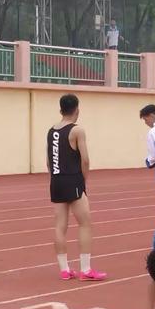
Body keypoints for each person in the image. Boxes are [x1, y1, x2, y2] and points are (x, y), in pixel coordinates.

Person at [47, 94, 106, 281]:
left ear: (60, 109)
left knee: (59, 226)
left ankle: (64, 270)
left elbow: (49, 161)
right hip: (73, 180)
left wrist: (54, 179)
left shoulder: (51, 130)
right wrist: (83, 181)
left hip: (56, 181)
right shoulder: (77, 130)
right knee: (85, 224)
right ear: (77, 110)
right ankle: (86, 269)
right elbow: (85, 159)